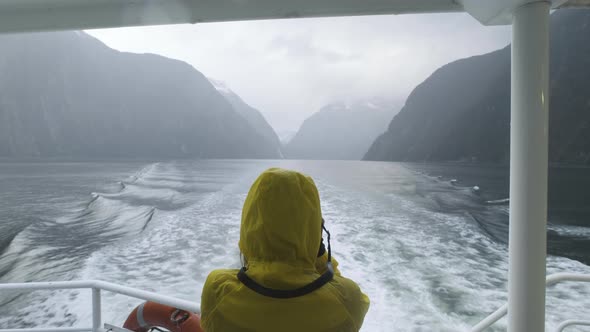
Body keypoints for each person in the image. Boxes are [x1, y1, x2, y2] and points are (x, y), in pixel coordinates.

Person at [200, 168, 369, 332]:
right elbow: (335, 282)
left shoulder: (217, 290)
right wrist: (318, 252)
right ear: (315, 230)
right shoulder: (348, 301)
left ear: (249, 224)